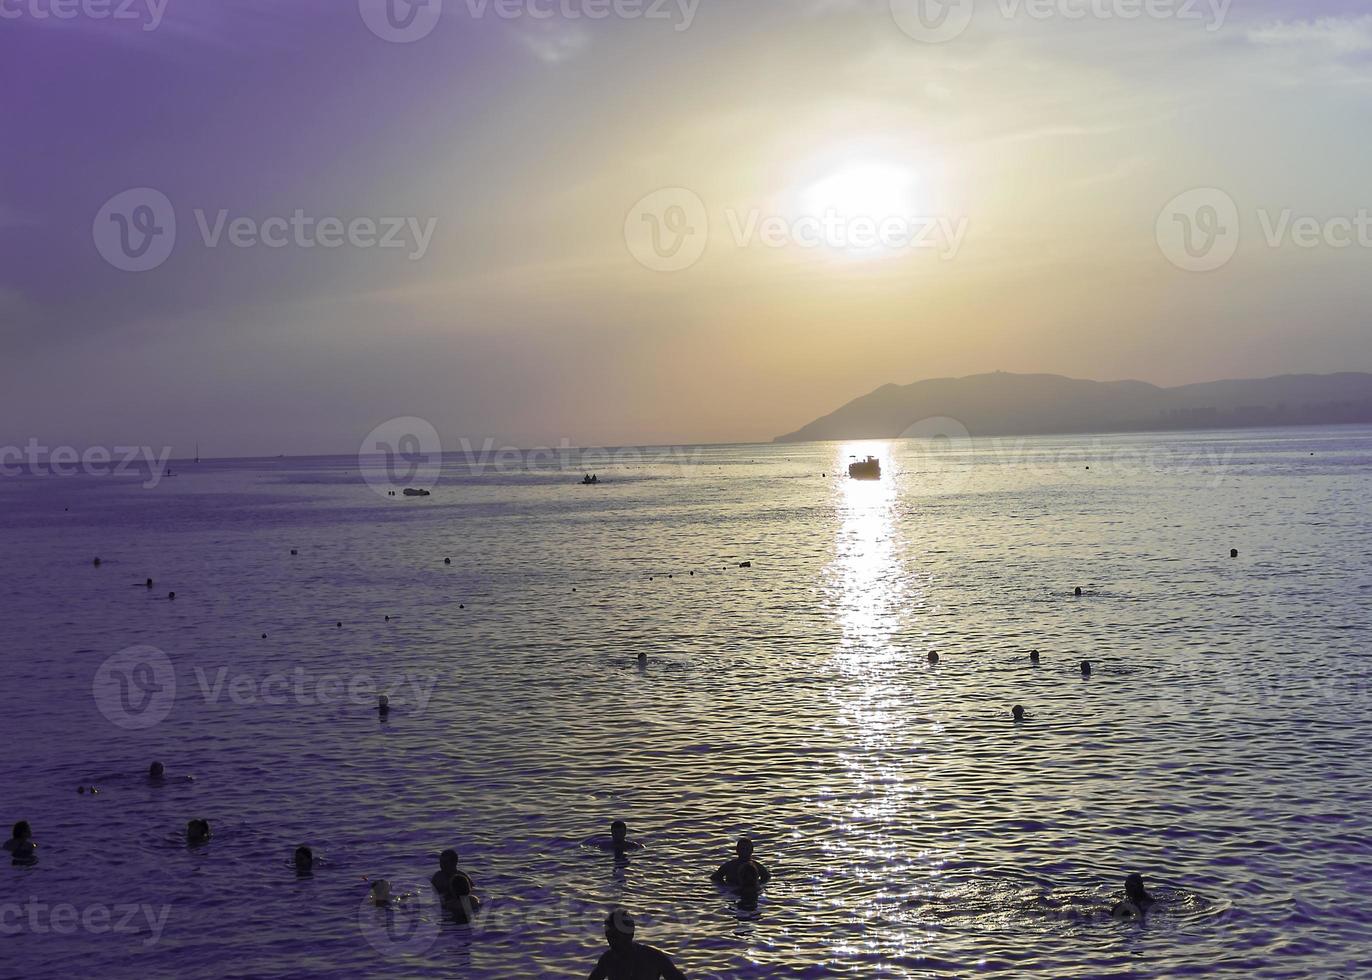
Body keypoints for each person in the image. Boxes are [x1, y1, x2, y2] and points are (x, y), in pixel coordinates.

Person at [588, 908, 687, 980]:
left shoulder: (653, 957)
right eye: (608, 935)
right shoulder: (607, 960)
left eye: (615, 935)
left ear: (630, 934)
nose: (611, 940)